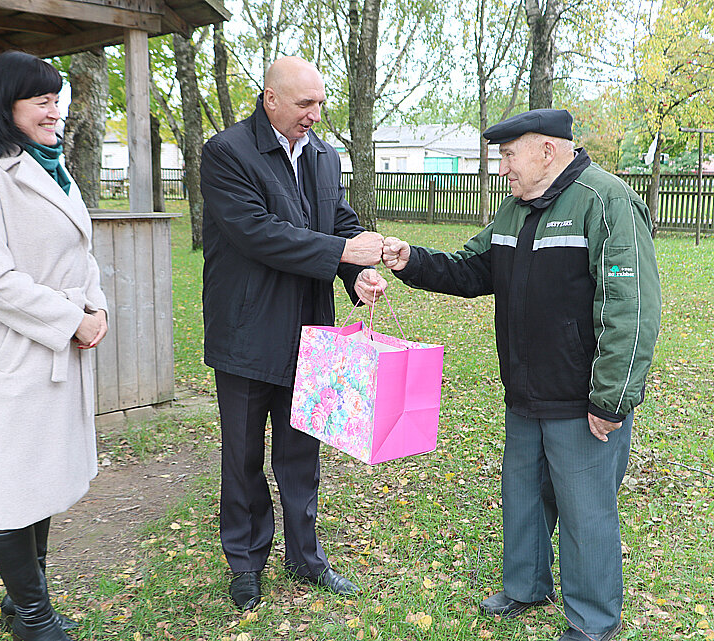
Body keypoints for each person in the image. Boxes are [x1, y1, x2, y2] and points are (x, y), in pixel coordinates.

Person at [382, 109, 660, 641]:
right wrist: (409, 259)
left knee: (585, 513)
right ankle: (527, 585)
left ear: (548, 151)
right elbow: (468, 269)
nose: (503, 167)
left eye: (509, 155)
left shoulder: (606, 202)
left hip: (581, 400)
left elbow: (633, 307)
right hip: (524, 391)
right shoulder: (515, 211)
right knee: (524, 495)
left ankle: (593, 620)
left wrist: (611, 398)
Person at [0, 51, 108, 641]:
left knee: (41, 475)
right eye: (41, 99)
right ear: (2, 104)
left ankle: (21, 601)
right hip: (1, 350)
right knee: (11, 482)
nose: (54, 110)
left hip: (52, 343)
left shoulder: (48, 164)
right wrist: (70, 319)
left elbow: (78, 250)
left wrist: (96, 304)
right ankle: (33, 616)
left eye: (56, 98)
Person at [200, 56, 387, 610]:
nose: (315, 113)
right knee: (242, 457)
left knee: (302, 453)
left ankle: (306, 557)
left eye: (320, 102)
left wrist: (358, 272)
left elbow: (340, 221)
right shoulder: (227, 154)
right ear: (270, 99)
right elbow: (259, 234)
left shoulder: (325, 155)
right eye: (305, 103)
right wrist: (340, 252)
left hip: (311, 333)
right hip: (246, 333)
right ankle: (245, 561)